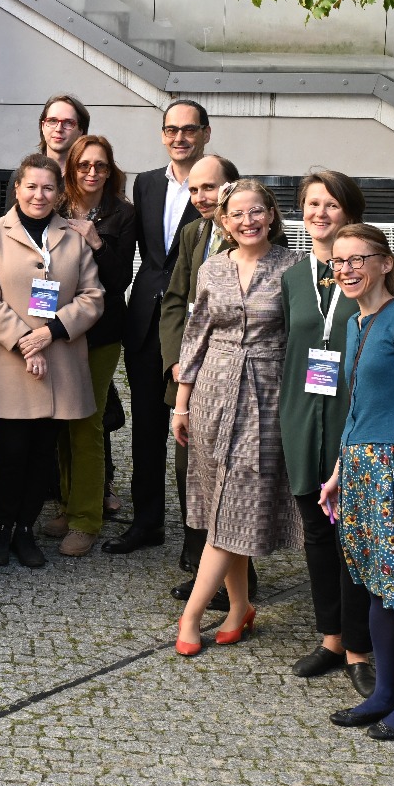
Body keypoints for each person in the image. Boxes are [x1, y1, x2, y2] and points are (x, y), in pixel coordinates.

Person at [306, 223, 394, 740]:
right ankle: (385, 692)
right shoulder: (354, 322)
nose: (345, 269)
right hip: (361, 468)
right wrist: (339, 472)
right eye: (338, 262)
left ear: (385, 263)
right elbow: (358, 406)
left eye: (357, 259)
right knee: (376, 586)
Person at [171, 179, 301, 655]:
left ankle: (190, 616)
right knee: (220, 504)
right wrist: (181, 403)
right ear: (223, 222)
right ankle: (240, 606)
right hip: (213, 392)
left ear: (271, 214)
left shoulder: (295, 268)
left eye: (257, 211)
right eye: (238, 214)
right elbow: (195, 336)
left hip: (267, 393)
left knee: (234, 503)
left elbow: (305, 335)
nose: (248, 221)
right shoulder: (211, 268)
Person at [0, 156, 103, 568]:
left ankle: (26, 529)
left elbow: (93, 296)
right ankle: (1, 528)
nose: (38, 195)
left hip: (60, 358)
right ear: (17, 188)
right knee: (11, 450)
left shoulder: (73, 237)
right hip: (10, 361)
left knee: (43, 452)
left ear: (59, 193)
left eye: (48, 188)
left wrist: (52, 332)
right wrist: (26, 341)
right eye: (31, 186)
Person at [279, 171, 378, 695]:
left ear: (350, 213)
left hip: (353, 422)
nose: (320, 213)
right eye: (312, 203)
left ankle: (360, 648)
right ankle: (332, 638)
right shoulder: (294, 277)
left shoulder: (371, 275)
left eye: (332, 204)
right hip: (301, 420)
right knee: (317, 535)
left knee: (353, 536)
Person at [110, 99, 211, 555]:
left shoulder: (219, 184)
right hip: (147, 320)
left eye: (189, 129)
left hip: (201, 325)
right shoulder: (147, 183)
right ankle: (146, 523)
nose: (179, 137)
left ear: (205, 133)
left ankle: (199, 539)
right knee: (147, 430)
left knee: (197, 436)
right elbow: (148, 253)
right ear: (163, 134)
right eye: (171, 129)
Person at [156, 155, 250, 596]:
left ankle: (238, 578)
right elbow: (176, 299)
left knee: (232, 474)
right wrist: (176, 359)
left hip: (238, 373)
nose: (200, 197)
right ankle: (198, 562)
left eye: (209, 188)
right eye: (193, 190)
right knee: (189, 469)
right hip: (191, 373)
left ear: (232, 187)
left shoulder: (256, 234)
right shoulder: (194, 233)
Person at [55, 135, 137, 556]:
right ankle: (69, 504)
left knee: (87, 420)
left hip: (101, 333)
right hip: (58, 327)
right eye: (84, 165)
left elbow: (121, 278)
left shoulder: (122, 213)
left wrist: (96, 241)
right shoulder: (55, 206)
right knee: (61, 418)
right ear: (71, 168)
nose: (92, 172)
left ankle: (86, 518)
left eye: (100, 165)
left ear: (110, 170)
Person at [34, 93, 91, 162]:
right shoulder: (26, 169)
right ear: (43, 126)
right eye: (52, 121)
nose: (58, 129)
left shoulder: (92, 169)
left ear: (81, 131)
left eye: (68, 123)